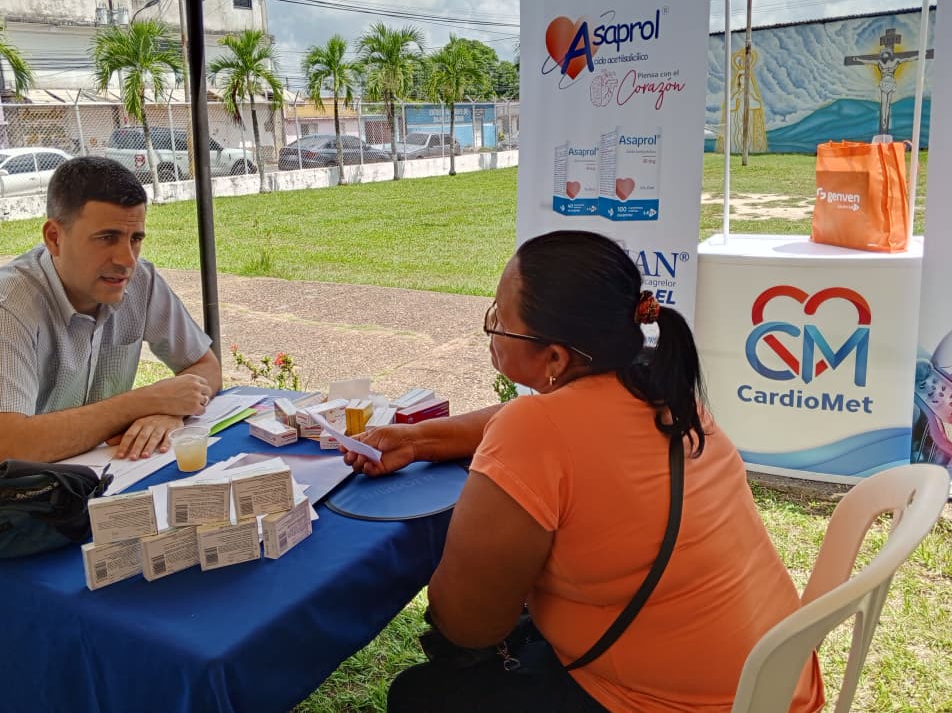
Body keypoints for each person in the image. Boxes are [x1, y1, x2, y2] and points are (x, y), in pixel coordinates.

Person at [343, 230, 824, 712]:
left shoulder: (537, 431)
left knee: (421, 696)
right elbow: (532, 423)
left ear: (554, 359)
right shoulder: (661, 387)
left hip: (670, 704)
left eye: (500, 319)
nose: (491, 327)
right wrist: (420, 440)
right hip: (775, 685)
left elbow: (468, 623)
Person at [0, 156, 221, 473]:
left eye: (135, 239)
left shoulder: (140, 281)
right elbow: (3, 447)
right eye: (107, 238)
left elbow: (205, 367)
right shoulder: (6, 301)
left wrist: (170, 412)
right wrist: (145, 402)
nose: (127, 259)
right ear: (55, 238)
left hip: (84, 478)